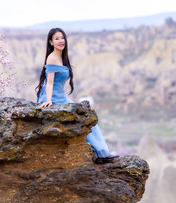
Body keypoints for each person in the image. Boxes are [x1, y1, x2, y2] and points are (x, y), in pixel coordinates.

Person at [35, 28, 118, 164]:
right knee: (81, 118)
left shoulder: (62, 57)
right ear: (51, 42)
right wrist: (48, 101)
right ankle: (101, 154)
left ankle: (102, 153)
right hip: (53, 97)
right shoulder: (52, 58)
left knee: (87, 116)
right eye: (56, 38)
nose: (61, 41)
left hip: (61, 96)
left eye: (62, 37)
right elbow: (49, 83)